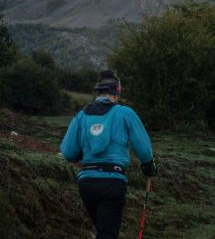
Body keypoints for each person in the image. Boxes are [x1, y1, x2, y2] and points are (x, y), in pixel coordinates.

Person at [60, 70, 157, 239]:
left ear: (98, 92)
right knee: (107, 233)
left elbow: (68, 152)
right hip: (113, 182)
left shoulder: (81, 115)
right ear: (117, 92)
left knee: (103, 231)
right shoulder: (125, 113)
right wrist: (148, 165)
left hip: (87, 183)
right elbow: (144, 148)